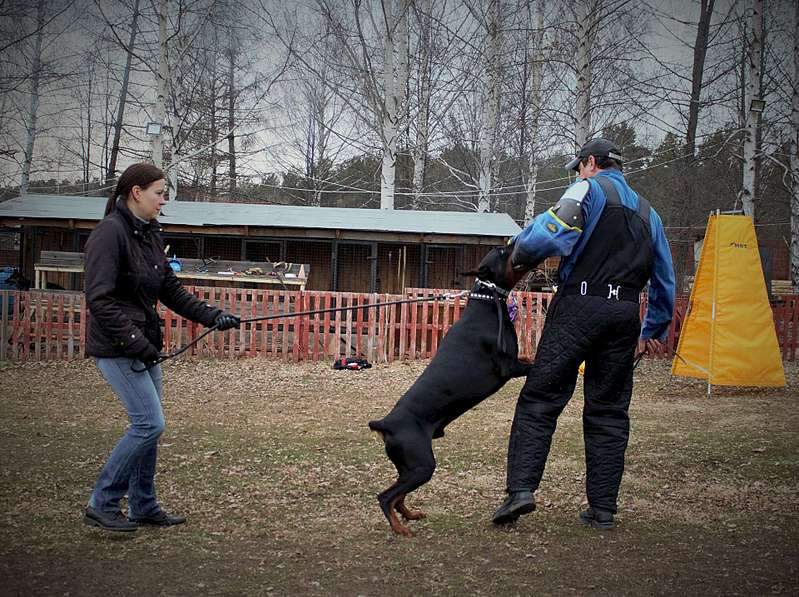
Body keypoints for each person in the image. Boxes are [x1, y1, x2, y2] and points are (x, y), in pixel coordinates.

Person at [492, 138, 675, 529]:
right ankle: (603, 510)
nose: (578, 173)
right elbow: (664, 279)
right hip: (625, 314)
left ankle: (521, 491)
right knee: (609, 411)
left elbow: (552, 232)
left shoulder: (587, 189)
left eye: (579, 166)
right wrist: (653, 327)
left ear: (591, 163)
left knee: (541, 398)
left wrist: (516, 251)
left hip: (578, 306)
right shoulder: (650, 213)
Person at [83, 163, 241, 532]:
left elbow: (169, 289)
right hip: (119, 348)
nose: (163, 199)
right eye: (159, 192)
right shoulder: (110, 234)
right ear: (136, 192)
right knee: (148, 424)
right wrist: (135, 343)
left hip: (144, 347)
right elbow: (100, 300)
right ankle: (102, 502)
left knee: (149, 428)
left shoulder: (148, 233)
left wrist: (212, 316)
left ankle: (143, 505)